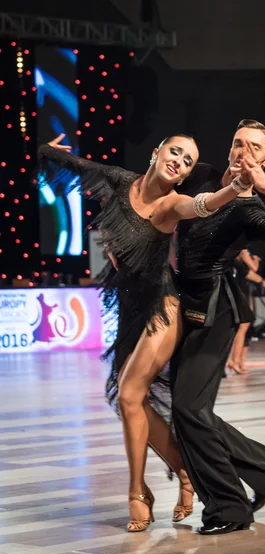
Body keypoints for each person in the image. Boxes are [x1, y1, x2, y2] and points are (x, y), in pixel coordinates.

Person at [38, 133, 253, 532]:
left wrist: (233, 188)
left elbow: (201, 205)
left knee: (130, 392)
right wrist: (45, 149)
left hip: (163, 307)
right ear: (156, 152)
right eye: (175, 152)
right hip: (130, 310)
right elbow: (76, 167)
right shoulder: (121, 181)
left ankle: (138, 492)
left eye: (188, 161)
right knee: (129, 401)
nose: (180, 162)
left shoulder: (171, 203)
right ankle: (186, 471)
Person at [169, 119, 265, 535]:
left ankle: (230, 508)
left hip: (215, 312)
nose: (242, 150)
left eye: (253, 146)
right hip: (176, 304)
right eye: (237, 142)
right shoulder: (203, 175)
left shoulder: (249, 208)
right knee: (190, 411)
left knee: (188, 409)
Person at [226, 250, 265, 374]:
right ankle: (234, 361)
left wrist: (255, 260)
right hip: (241, 291)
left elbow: (253, 269)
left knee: (247, 328)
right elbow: (249, 271)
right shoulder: (242, 251)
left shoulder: (243, 254)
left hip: (246, 291)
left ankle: (240, 361)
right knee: (242, 328)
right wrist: (263, 281)